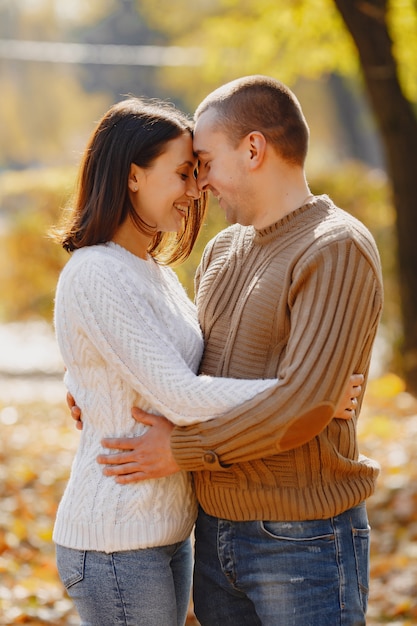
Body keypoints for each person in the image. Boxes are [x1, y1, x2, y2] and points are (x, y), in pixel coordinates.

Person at [86, 76, 384, 626]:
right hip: (213, 533)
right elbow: (184, 364)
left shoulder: (335, 247)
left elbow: (304, 407)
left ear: (253, 150)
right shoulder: (222, 250)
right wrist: (93, 380)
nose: (199, 184)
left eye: (203, 161)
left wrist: (183, 451)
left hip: (302, 538)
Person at [52, 96, 299, 626]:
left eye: (197, 173)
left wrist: (80, 382)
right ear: (133, 175)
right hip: (117, 542)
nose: (195, 190)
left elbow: (132, 361)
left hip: (166, 531)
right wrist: (302, 393)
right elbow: (181, 395)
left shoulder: (154, 272)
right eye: (183, 173)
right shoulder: (96, 271)